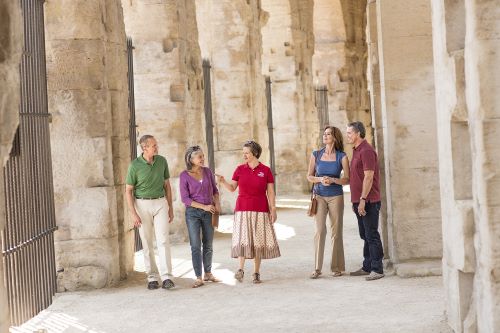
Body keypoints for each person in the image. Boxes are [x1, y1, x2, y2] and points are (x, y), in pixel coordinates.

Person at [217, 140, 280, 284]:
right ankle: (240, 269)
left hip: (260, 210)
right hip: (242, 210)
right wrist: (223, 181)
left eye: (247, 153)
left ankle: (256, 272)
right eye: (243, 153)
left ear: (255, 153)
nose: (244, 155)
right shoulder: (239, 169)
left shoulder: (266, 170)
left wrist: (273, 209)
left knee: (257, 241)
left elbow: (270, 192)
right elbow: (233, 188)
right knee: (243, 239)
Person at [125, 135, 175, 290]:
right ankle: (152, 277)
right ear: (144, 148)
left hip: (160, 202)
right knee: (146, 241)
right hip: (141, 204)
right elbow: (128, 191)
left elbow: (167, 185)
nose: (157, 147)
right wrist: (133, 214)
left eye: (156, 144)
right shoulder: (134, 166)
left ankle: (167, 277)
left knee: (163, 240)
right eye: (154, 145)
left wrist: (170, 207)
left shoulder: (162, 161)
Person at [307, 126, 350, 279]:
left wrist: (333, 180)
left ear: (335, 137)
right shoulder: (316, 154)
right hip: (319, 195)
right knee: (320, 231)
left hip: (336, 196)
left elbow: (347, 179)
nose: (325, 136)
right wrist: (320, 179)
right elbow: (309, 176)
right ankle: (317, 268)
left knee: (336, 232)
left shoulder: (342, 156)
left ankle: (337, 267)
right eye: (324, 134)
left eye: (328, 134)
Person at [346, 122, 384, 281]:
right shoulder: (356, 150)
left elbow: (369, 177)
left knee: (371, 234)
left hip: (368, 200)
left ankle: (377, 268)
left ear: (358, 134)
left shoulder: (367, 151)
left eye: (349, 133)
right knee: (365, 234)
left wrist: (362, 200)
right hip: (358, 200)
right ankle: (367, 266)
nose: (347, 135)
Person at [179, 146, 222, 288]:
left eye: (203, 156)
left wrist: (217, 204)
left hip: (209, 212)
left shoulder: (208, 172)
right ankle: (198, 276)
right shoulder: (184, 175)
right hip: (193, 213)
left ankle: (208, 273)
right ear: (191, 159)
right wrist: (203, 207)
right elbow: (185, 199)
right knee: (196, 245)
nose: (203, 159)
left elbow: (215, 191)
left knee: (208, 244)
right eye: (199, 157)